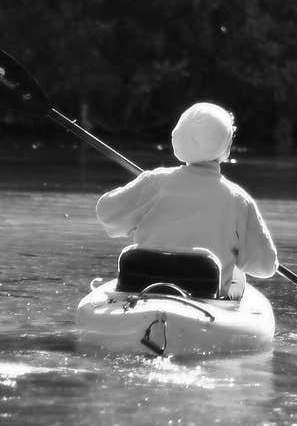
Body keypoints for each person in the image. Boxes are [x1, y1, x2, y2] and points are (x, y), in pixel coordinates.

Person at [95, 102, 278, 300]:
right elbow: (265, 266)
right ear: (226, 148)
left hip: (142, 291)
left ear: (178, 138)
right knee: (238, 277)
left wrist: (141, 202)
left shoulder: (155, 182)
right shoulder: (238, 200)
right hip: (204, 299)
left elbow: (107, 214)